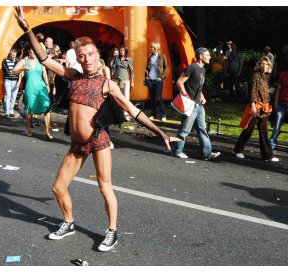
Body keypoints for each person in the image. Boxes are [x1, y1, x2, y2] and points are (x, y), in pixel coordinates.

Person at [14, 6, 177, 252]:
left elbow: (134, 111)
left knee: (105, 187)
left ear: (97, 55)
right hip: (77, 144)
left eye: (90, 54)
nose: (86, 59)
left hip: (98, 140)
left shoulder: (107, 84)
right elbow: (45, 59)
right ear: (77, 58)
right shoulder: (73, 76)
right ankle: (68, 223)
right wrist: (28, 29)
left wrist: (161, 132)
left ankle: (112, 231)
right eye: (82, 55)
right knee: (58, 187)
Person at [172, 47, 221, 161]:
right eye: (207, 55)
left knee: (202, 129)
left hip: (199, 105)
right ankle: (177, 151)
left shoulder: (202, 70)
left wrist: (202, 96)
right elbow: (179, 82)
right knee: (185, 130)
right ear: (201, 56)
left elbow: (198, 87)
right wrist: (185, 95)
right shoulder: (192, 68)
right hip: (191, 105)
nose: (210, 57)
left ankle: (207, 154)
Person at [233, 56, 279, 162]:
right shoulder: (255, 75)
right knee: (248, 130)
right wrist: (253, 105)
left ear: (269, 66)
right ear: (259, 65)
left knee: (263, 131)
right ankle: (237, 150)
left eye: (267, 64)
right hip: (256, 106)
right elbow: (253, 91)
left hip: (264, 107)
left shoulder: (266, 76)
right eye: (262, 64)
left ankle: (268, 155)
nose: (264, 66)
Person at [12, 46, 54, 140]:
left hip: (41, 86)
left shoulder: (41, 61)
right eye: (31, 52)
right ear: (29, 52)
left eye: (34, 53)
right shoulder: (24, 60)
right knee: (30, 108)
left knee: (47, 107)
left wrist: (47, 85)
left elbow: (44, 73)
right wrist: (22, 68)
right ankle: (28, 128)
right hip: (30, 87)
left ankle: (47, 131)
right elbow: (14, 71)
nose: (33, 54)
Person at [145, 41, 168, 121]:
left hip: (158, 80)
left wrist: (161, 77)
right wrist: (147, 76)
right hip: (150, 79)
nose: (150, 48)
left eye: (151, 47)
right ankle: (153, 114)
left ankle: (163, 114)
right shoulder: (150, 56)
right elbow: (147, 68)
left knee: (158, 98)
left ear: (156, 48)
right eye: (150, 47)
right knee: (152, 98)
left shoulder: (162, 56)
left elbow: (166, 68)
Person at [112, 45, 134, 121]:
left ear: (125, 51)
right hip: (117, 80)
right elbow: (113, 67)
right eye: (120, 50)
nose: (121, 52)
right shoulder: (116, 58)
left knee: (126, 98)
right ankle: (118, 114)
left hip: (125, 80)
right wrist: (112, 76)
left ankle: (126, 114)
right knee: (117, 97)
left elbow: (131, 71)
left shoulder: (129, 59)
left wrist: (132, 82)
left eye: (122, 50)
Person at [2, 48, 22, 118]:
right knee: (8, 95)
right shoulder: (5, 61)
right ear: (10, 54)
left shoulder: (17, 61)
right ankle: (6, 111)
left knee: (13, 96)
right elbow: (5, 72)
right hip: (7, 80)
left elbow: (20, 71)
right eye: (12, 55)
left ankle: (11, 110)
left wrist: (19, 81)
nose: (13, 57)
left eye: (14, 55)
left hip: (15, 80)